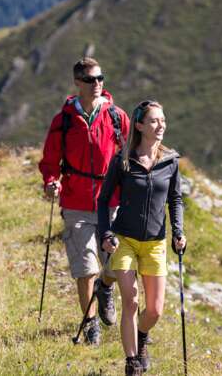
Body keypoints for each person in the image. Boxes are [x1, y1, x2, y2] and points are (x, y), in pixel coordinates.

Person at [38, 57, 130, 345]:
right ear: (77, 82)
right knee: (86, 267)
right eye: (90, 79)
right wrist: (51, 181)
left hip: (111, 202)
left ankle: (106, 289)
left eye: (100, 78)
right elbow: (50, 160)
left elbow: (129, 156)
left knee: (114, 265)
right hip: (76, 203)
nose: (97, 83)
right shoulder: (63, 121)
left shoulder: (117, 117)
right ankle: (90, 324)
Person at [97, 100, 187, 375]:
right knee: (131, 301)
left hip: (155, 243)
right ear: (139, 125)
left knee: (155, 311)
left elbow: (175, 199)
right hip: (124, 239)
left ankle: (142, 336)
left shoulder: (170, 161)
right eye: (154, 121)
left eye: (163, 120)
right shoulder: (122, 160)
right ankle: (132, 362)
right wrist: (105, 233)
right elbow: (103, 200)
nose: (161, 125)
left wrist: (178, 231)